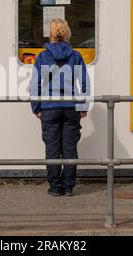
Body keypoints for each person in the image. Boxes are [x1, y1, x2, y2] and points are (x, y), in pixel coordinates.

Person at [29, 18, 90, 197]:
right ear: (67, 33)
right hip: (71, 107)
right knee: (70, 148)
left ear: (51, 35)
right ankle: (69, 186)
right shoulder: (76, 56)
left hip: (49, 107)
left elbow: (34, 85)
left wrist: (36, 106)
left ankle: (55, 187)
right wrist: (82, 105)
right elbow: (85, 83)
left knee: (52, 148)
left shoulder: (42, 56)